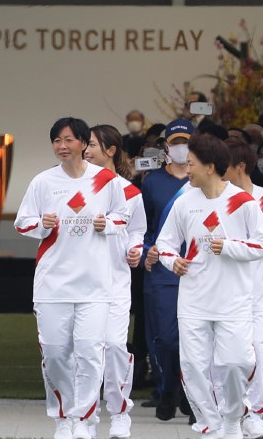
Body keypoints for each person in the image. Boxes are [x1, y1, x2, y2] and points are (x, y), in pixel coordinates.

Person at [14, 117, 128, 439]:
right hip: (53, 284)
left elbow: (123, 216)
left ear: (82, 142)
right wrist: (43, 223)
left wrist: (109, 223)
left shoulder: (106, 181)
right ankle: (62, 417)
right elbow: (23, 222)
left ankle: (83, 419)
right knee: (54, 353)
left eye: (68, 140)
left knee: (91, 351)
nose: (62, 146)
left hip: (95, 284)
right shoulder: (43, 182)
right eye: (56, 141)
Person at [156, 134, 263, 439]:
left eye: (191, 163)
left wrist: (231, 246)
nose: (187, 169)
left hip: (233, 301)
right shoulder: (184, 202)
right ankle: (211, 425)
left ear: (210, 167)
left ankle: (234, 417)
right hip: (193, 300)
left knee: (236, 362)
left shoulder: (242, 202)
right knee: (194, 367)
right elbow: (165, 244)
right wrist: (173, 262)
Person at [83, 125, 146, 439]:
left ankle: (120, 413)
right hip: (81, 282)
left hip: (116, 281)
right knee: (85, 349)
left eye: (91, 144)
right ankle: (87, 414)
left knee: (115, 346)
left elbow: (137, 232)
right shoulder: (76, 188)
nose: (86, 150)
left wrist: (135, 250)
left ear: (110, 150)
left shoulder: (129, 191)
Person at [222, 137, 263, 438]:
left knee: (260, 350)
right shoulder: (217, 199)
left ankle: (256, 414)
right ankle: (231, 411)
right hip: (225, 289)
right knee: (230, 354)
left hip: (260, 288)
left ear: (241, 167)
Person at [142, 118, 194, 422]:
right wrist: (148, 247)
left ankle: (186, 393)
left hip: (197, 268)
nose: (180, 148)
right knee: (165, 338)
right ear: (166, 146)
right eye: (175, 143)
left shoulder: (204, 181)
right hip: (162, 268)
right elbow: (146, 227)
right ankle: (169, 386)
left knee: (194, 336)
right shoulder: (153, 182)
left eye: (185, 142)